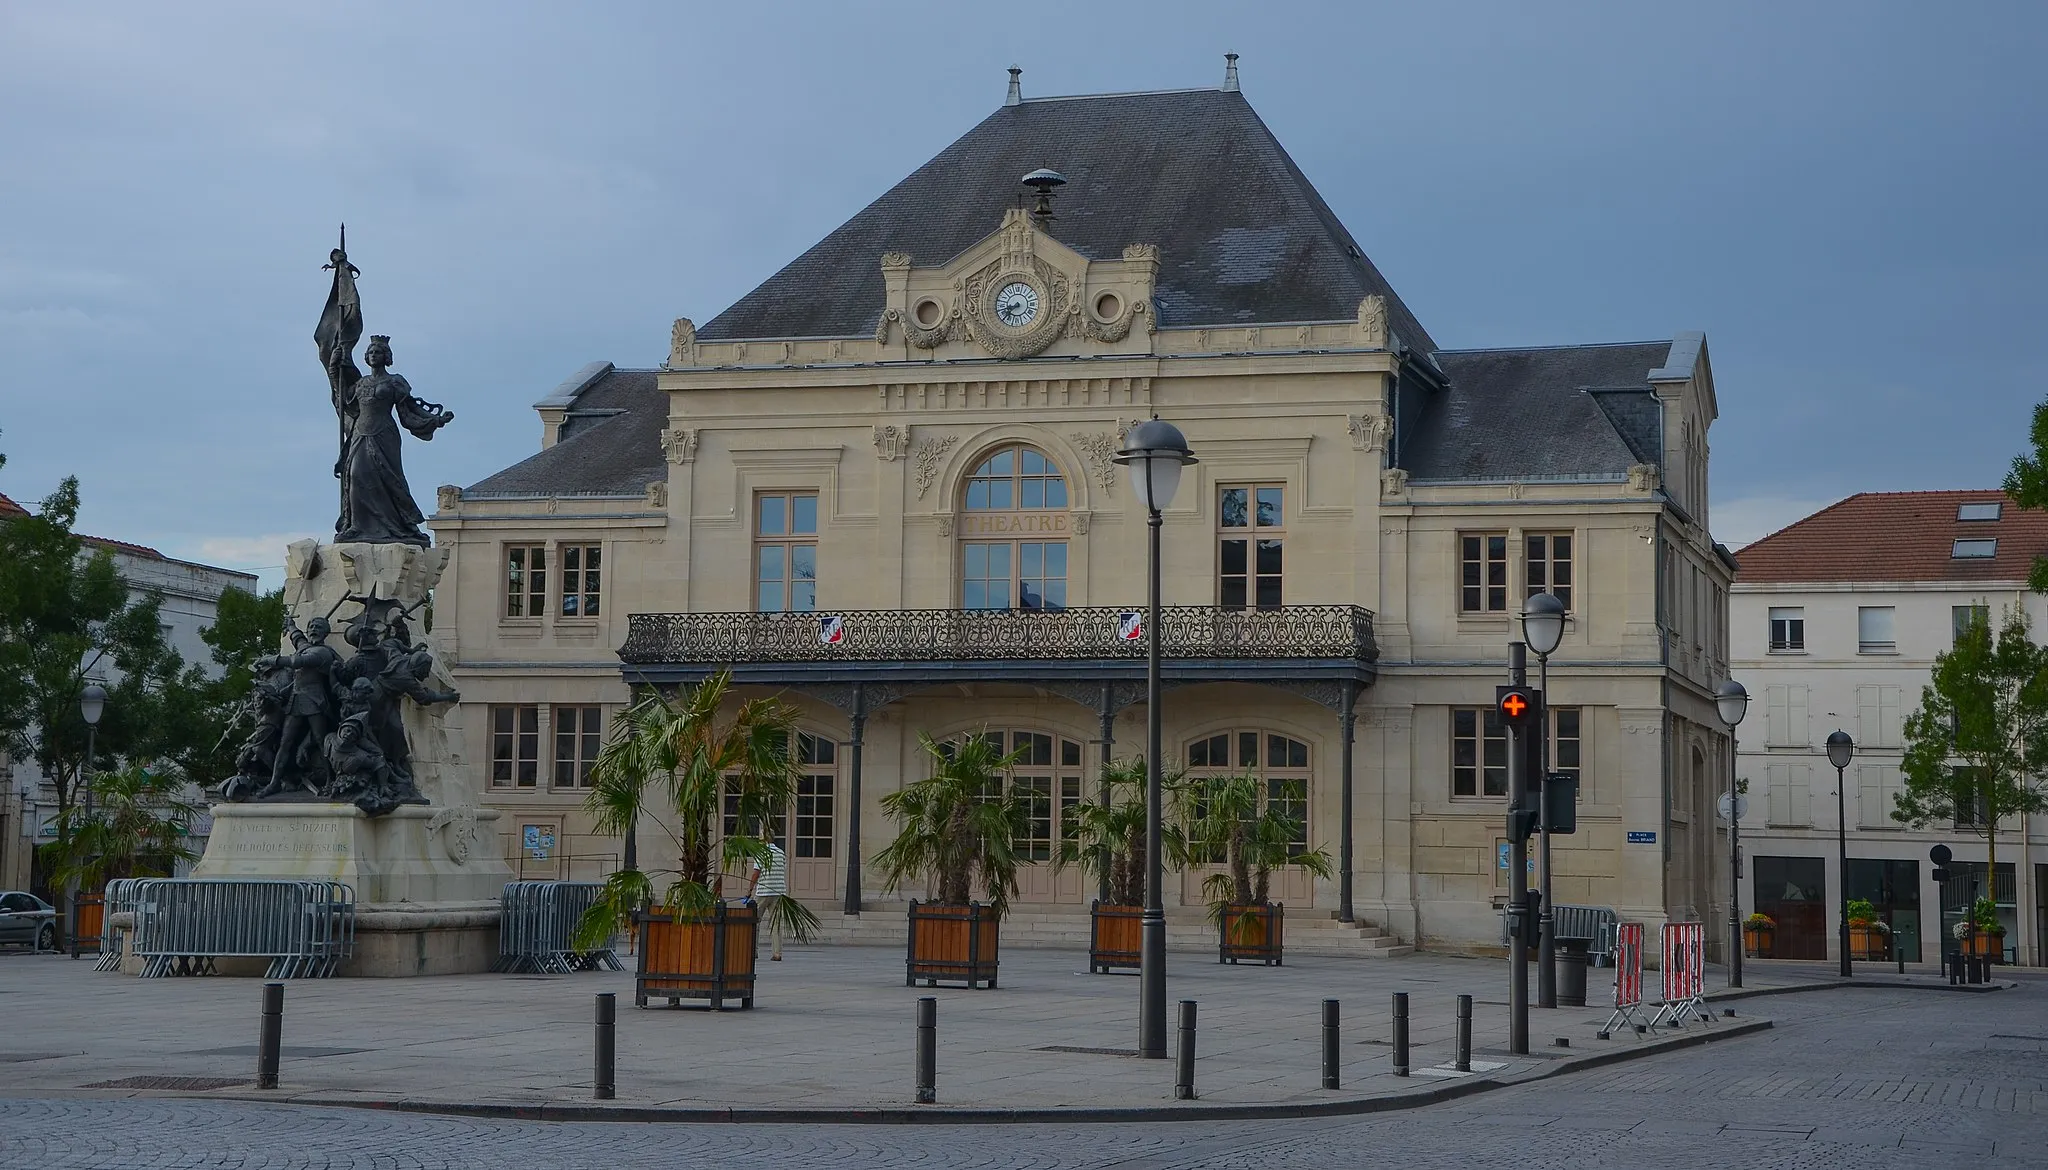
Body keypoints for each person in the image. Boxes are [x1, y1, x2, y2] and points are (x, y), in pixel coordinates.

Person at [748, 842, 790, 961]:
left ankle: (753, 951)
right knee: (776, 923)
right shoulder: (781, 852)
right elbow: (783, 868)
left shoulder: (761, 853)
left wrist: (749, 889)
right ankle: (777, 953)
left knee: (755, 921)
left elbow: (756, 873)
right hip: (778, 891)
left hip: (763, 891)